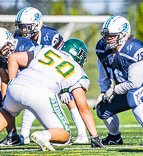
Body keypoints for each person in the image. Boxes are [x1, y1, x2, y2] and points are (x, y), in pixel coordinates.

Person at [0, 39, 105, 151]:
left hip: (17, 85)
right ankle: (44, 135)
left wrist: (11, 84)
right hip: (42, 93)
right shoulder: (78, 72)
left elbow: (14, 57)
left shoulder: (45, 49)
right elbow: (83, 108)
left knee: (7, 112)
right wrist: (95, 137)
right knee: (66, 136)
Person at [14, 6, 88, 144]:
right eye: (21, 26)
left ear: (36, 24)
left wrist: (64, 87)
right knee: (31, 95)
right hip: (33, 74)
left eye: (26, 26)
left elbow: (62, 61)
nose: (22, 30)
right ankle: (23, 136)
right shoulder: (18, 38)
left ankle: (82, 134)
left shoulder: (50, 36)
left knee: (70, 97)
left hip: (56, 75)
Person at [94, 15, 143, 146]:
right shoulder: (102, 48)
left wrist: (114, 89)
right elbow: (103, 73)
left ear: (123, 34)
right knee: (102, 109)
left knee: (134, 95)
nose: (107, 39)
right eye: (106, 35)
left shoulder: (133, 48)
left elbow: (135, 83)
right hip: (128, 88)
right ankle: (115, 137)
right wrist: (103, 92)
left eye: (112, 35)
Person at [0, 27, 38, 146]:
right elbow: (4, 79)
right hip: (16, 82)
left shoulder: (26, 46)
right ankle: (13, 135)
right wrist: (5, 99)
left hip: (37, 82)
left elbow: (39, 70)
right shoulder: (1, 56)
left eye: (4, 49)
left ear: (9, 42)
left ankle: (24, 135)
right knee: (4, 103)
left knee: (29, 98)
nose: (2, 53)